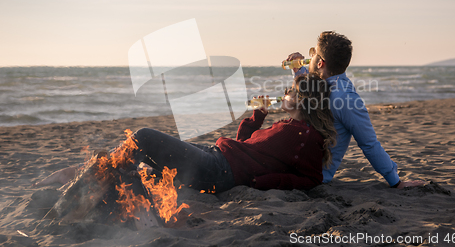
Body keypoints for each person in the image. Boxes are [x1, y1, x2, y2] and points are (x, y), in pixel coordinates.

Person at [34, 73, 337, 193]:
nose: (285, 92)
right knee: (144, 157)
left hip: (220, 171)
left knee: (145, 136)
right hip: (217, 156)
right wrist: (257, 116)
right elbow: (244, 144)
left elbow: (310, 180)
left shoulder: (304, 137)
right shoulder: (290, 127)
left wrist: (262, 182)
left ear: (303, 100)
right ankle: (94, 174)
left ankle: (93, 179)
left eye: (291, 90)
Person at [286, 31, 424, 189]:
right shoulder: (335, 88)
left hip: (308, 174)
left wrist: (396, 182)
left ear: (320, 63)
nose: (309, 57)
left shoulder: (346, 98)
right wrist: (297, 70)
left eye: (313, 53)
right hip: (295, 163)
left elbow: (369, 144)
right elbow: (309, 87)